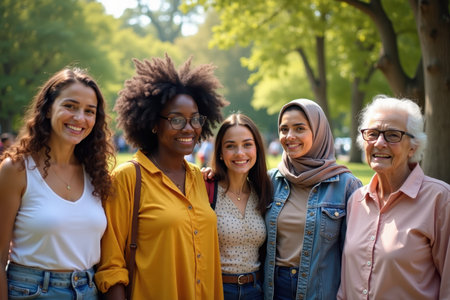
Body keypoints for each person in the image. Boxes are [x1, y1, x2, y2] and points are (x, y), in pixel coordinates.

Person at [95, 54, 228, 299]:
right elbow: (111, 265)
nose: (189, 129)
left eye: (195, 119)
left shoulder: (198, 178)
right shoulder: (127, 178)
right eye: (176, 119)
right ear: (154, 124)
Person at [0, 67, 115, 299]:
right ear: (48, 109)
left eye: (89, 111)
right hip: (31, 291)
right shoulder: (16, 169)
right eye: (70, 106)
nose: (80, 118)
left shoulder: (96, 174)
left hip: (88, 289)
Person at [337, 95, 450, 299]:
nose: (380, 143)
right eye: (372, 134)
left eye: (392, 135)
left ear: (413, 147)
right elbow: (346, 285)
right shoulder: (356, 201)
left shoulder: (440, 200)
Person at [264, 99, 362, 300]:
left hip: (320, 292)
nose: (290, 136)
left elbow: (354, 256)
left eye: (299, 128)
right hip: (274, 290)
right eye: (284, 129)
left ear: (318, 132)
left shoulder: (346, 186)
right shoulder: (270, 181)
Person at [208, 113, 272, 300]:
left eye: (247, 144)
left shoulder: (263, 191)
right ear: (220, 152)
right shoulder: (206, 190)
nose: (240, 153)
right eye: (230, 146)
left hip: (256, 290)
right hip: (218, 290)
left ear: (257, 149)